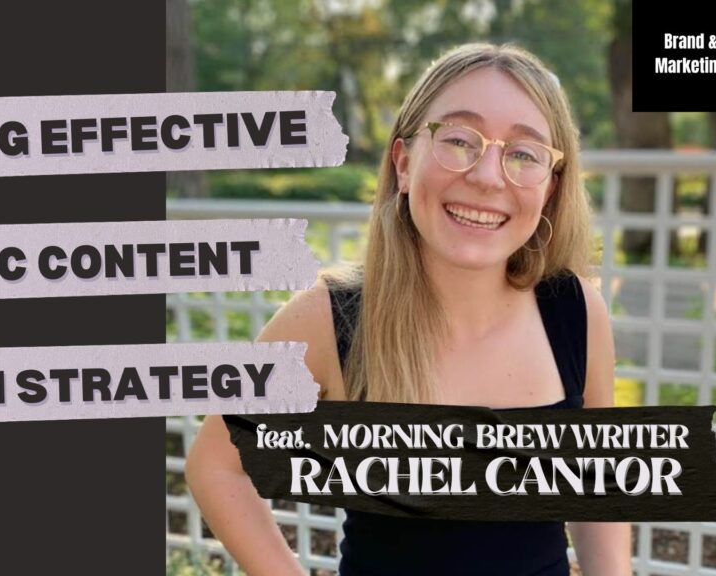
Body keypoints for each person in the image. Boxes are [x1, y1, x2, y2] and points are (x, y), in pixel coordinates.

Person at [185, 43, 631, 575]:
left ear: (551, 186)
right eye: (460, 141)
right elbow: (217, 465)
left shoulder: (576, 313)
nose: (489, 177)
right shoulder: (334, 318)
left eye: (523, 154)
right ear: (403, 162)